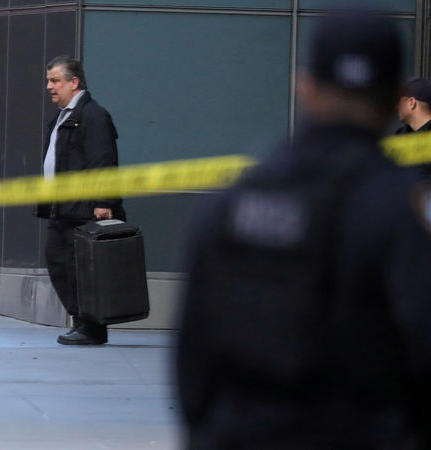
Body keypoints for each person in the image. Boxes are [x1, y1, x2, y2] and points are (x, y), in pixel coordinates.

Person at [176, 10, 431, 449]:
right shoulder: (403, 209)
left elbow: (193, 350)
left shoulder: (235, 199)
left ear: (306, 86)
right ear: (393, 95)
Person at [34, 55, 125, 346]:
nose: (50, 86)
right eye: (48, 80)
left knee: (82, 270)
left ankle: (92, 326)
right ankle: (81, 321)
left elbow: (102, 160)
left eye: (56, 81)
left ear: (75, 83)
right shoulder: (62, 117)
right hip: (62, 209)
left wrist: (102, 200)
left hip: (86, 210)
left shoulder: (93, 115)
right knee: (60, 264)